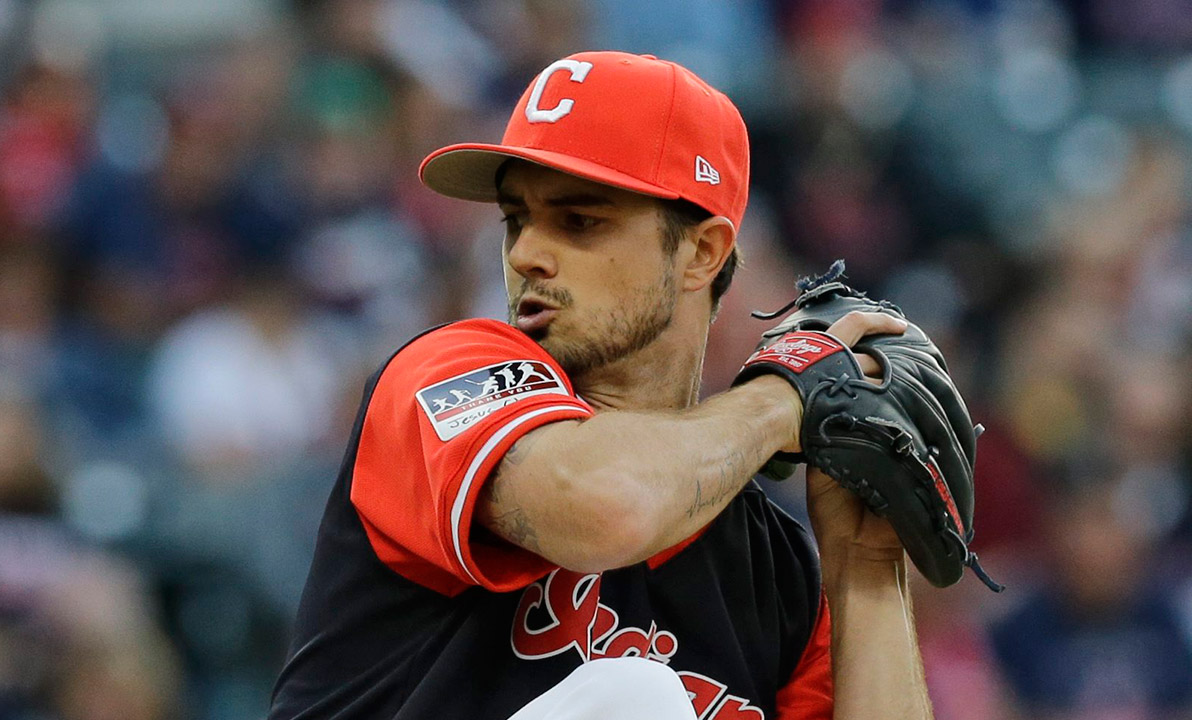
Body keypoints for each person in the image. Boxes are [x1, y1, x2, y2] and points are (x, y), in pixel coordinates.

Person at [268, 51, 934, 720]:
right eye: (515, 219)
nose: (526, 252)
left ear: (701, 252)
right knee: (633, 696)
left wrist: (868, 574)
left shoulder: (777, 569)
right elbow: (610, 508)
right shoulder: (450, 371)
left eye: (578, 221)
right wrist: (781, 396)